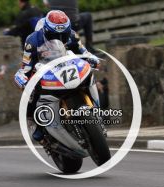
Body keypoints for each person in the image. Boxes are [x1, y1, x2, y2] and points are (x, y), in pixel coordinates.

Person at [14, 10, 100, 141]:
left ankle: (96, 107)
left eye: (63, 34)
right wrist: (23, 79)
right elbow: (25, 67)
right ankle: (38, 124)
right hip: (43, 70)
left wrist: (92, 59)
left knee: (89, 73)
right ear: (47, 31)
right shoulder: (32, 40)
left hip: (67, 65)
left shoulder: (72, 35)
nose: (59, 38)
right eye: (55, 35)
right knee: (30, 93)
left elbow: (85, 53)